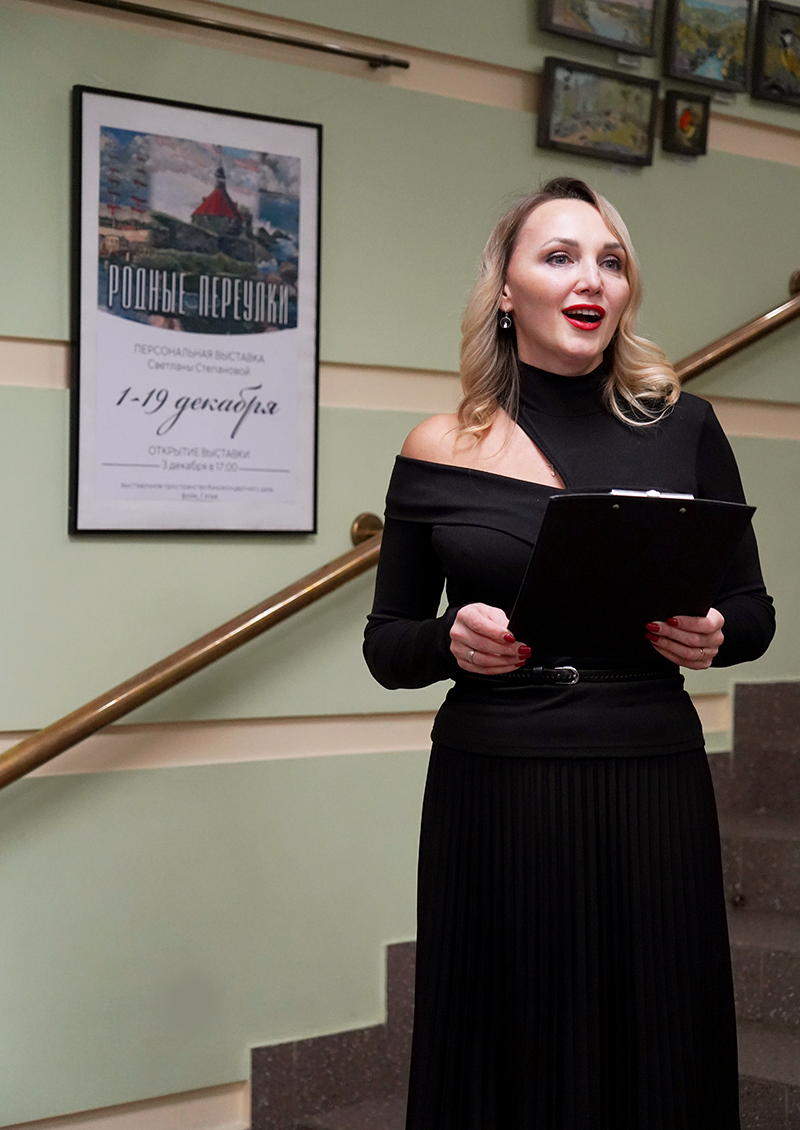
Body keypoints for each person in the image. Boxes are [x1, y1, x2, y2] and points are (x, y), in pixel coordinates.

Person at [363, 177, 775, 1130]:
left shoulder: (684, 426)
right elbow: (388, 644)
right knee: (509, 1048)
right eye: (560, 256)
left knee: (658, 1040)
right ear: (506, 291)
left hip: (650, 773)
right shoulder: (440, 445)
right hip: (498, 784)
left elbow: (754, 611)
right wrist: (449, 641)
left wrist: (716, 634)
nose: (592, 278)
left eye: (611, 260)